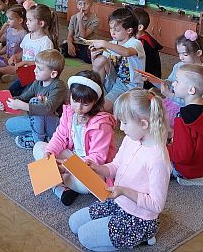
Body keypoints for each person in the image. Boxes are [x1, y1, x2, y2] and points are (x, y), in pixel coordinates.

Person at [69, 89, 170, 251]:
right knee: (74, 223)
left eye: (125, 123)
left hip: (139, 218)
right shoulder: (131, 139)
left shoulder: (157, 160)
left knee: (84, 237)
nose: (121, 128)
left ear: (144, 124)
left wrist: (123, 191)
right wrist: (98, 169)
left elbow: (157, 205)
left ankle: (145, 236)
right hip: (119, 202)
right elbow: (116, 166)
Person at [33, 70, 117, 206]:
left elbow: (96, 158)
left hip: (92, 167)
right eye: (75, 100)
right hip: (72, 158)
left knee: (86, 186)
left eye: (85, 104)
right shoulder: (69, 112)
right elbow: (60, 137)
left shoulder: (102, 124)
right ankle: (62, 186)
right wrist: (50, 152)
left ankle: (58, 187)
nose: (78, 107)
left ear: (95, 102)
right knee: (39, 147)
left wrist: (65, 167)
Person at [0, 49, 68, 149]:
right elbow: (23, 98)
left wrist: (23, 106)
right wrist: (7, 101)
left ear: (53, 74)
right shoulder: (38, 82)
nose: (35, 70)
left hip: (57, 125)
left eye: (39, 69)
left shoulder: (58, 87)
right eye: (35, 66)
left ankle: (38, 141)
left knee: (34, 101)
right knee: (9, 125)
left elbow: (47, 109)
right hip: (38, 121)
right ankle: (44, 136)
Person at [167, 64, 203, 186]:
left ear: (191, 90)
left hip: (189, 170)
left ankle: (183, 176)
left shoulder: (182, 119)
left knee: (152, 153)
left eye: (177, 81)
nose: (173, 84)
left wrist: (165, 149)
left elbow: (181, 156)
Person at [89, 8, 146, 112]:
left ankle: (112, 104)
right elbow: (97, 67)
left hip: (129, 87)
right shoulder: (111, 44)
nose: (112, 33)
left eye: (117, 30)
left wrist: (104, 43)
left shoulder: (136, 43)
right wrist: (94, 57)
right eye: (111, 28)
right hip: (112, 82)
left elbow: (127, 52)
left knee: (101, 109)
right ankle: (95, 93)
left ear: (129, 30)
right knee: (100, 59)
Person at [8, 4, 58, 96]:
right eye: (27, 20)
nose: (27, 23)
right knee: (11, 90)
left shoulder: (46, 42)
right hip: (25, 74)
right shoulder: (27, 37)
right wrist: (15, 56)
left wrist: (25, 62)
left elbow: (45, 64)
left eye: (30, 20)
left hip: (38, 78)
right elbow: (24, 52)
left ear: (41, 23)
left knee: (25, 95)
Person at [160, 30, 203, 126]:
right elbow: (170, 82)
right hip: (171, 101)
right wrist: (154, 80)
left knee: (169, 124)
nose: (181, 57)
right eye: (179, 53)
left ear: (198, 53)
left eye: (185, 54)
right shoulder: (178, 65)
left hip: (183, 109)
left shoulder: (200, 74)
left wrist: (170, 95)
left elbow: (194, 103)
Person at [61, 0, 99, 64]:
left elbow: (83, 36)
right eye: (80, 4)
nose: (83, 7)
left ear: (91, 5)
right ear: (77, 5)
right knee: (60, 50)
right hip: (74, 42)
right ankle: (75, 51)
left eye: (86, 4)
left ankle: (76, 53)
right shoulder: (73, 17)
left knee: (90, 58)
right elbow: (70, 35)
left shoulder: (95, 20)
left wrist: (79, 20)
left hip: (86, 44)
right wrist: (70, 44)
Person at [0, 5, 27, 80]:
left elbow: (25, 51)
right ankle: (8, 74)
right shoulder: (9, 30)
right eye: (7, 18)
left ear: (20, 20)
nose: (7, 21)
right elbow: (8, 45)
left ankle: (12, 75)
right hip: (7, 60)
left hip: (18, 64)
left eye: (10, 19)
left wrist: (17, 58)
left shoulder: (24, 34)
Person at [130, 7, 163, 81]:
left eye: (130, 23)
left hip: (148, 79)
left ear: (140, 27)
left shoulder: (143, 43)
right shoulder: (143, 36)